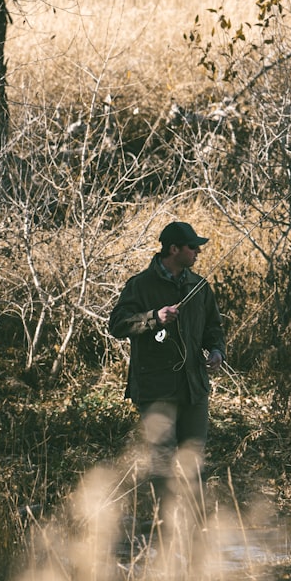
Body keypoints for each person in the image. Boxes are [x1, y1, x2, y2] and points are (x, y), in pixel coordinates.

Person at [108, 221, 226, 527]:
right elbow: (117, 324)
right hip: (155, 389)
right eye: (192, 247)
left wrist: (216, 352)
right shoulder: (140, 285)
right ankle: (165, 524)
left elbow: (214, 329)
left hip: (193, 388)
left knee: (194, 459)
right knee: (162, 460)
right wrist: (154, 318)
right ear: (174, 249)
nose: (198, 252)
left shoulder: (199, 286)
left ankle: (197, 527)